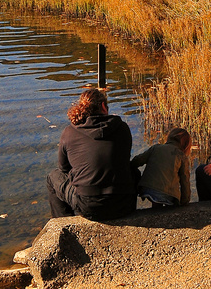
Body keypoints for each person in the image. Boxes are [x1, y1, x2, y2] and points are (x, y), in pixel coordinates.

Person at [44, 88, 137, 220]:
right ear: (104, 107)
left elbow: (63, 168)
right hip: (125, 204)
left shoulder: (69, 132)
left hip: (88, 207)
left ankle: (63, 223)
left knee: (53, 177)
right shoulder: (122, 127)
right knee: (132, 169)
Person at [131, 128, 193, 208]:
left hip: (147, 189)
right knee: (167, 195)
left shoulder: (155, 148)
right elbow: (185, 181)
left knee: (156, 196)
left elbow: (138, 161)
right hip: (167, 194)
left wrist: (129, 166)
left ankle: (156, 209)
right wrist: (185, 201)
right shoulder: (181, 156)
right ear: (186, 145)